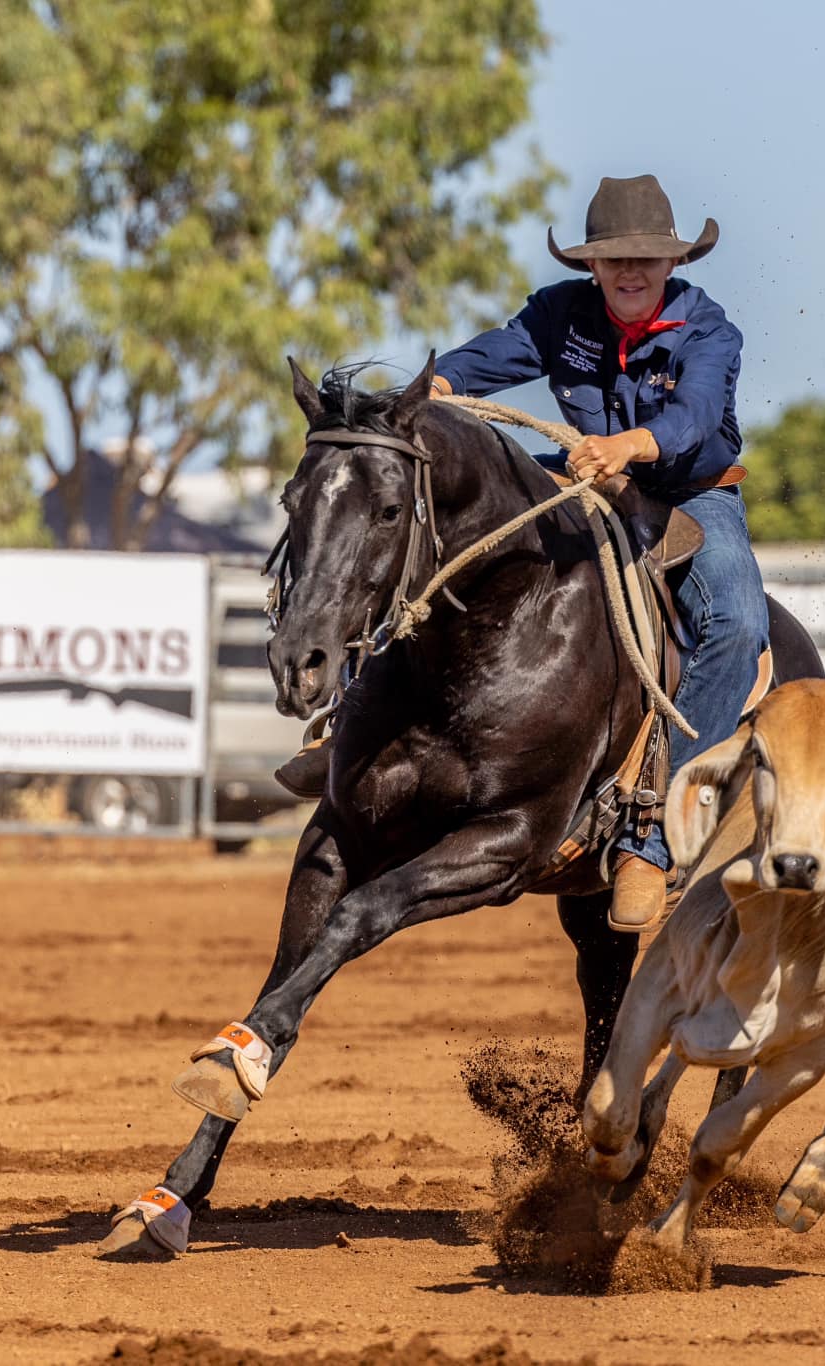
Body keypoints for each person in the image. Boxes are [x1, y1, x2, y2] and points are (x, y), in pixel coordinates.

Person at [280, 174, 770, 934]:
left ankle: (653, 833)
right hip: (581, 475)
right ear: (591, 266)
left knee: (736, 623)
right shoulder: (560, 313)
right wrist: (436, 388)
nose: (630, 271)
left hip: (689, 495)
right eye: (614, 259)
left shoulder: (709, 332)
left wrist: (631, 446)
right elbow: (493, 356)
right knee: (426, 538)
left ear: (673, 262)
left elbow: (696, 416)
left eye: (645, 257)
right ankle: (352, 729)